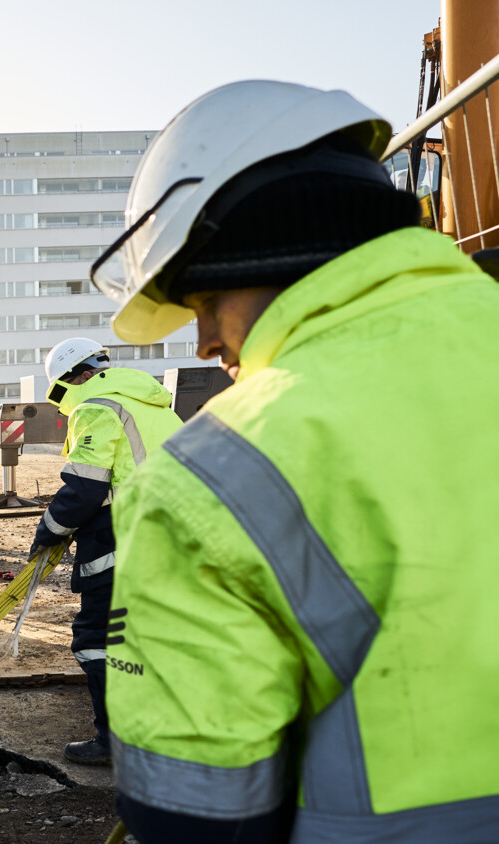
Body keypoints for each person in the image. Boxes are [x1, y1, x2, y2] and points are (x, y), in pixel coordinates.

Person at [93, 80, 499, 841]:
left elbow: (195, 817)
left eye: (203, 305)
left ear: (257, 250)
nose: (206, 344)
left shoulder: (212, 479)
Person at [28, 337, 181, 766]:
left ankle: (116, 742)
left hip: (125, 539)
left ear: (69, 379)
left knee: (100, 639)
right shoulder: (155, 406)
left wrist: (50, 530)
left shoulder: (97, 406)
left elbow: (85, 488)